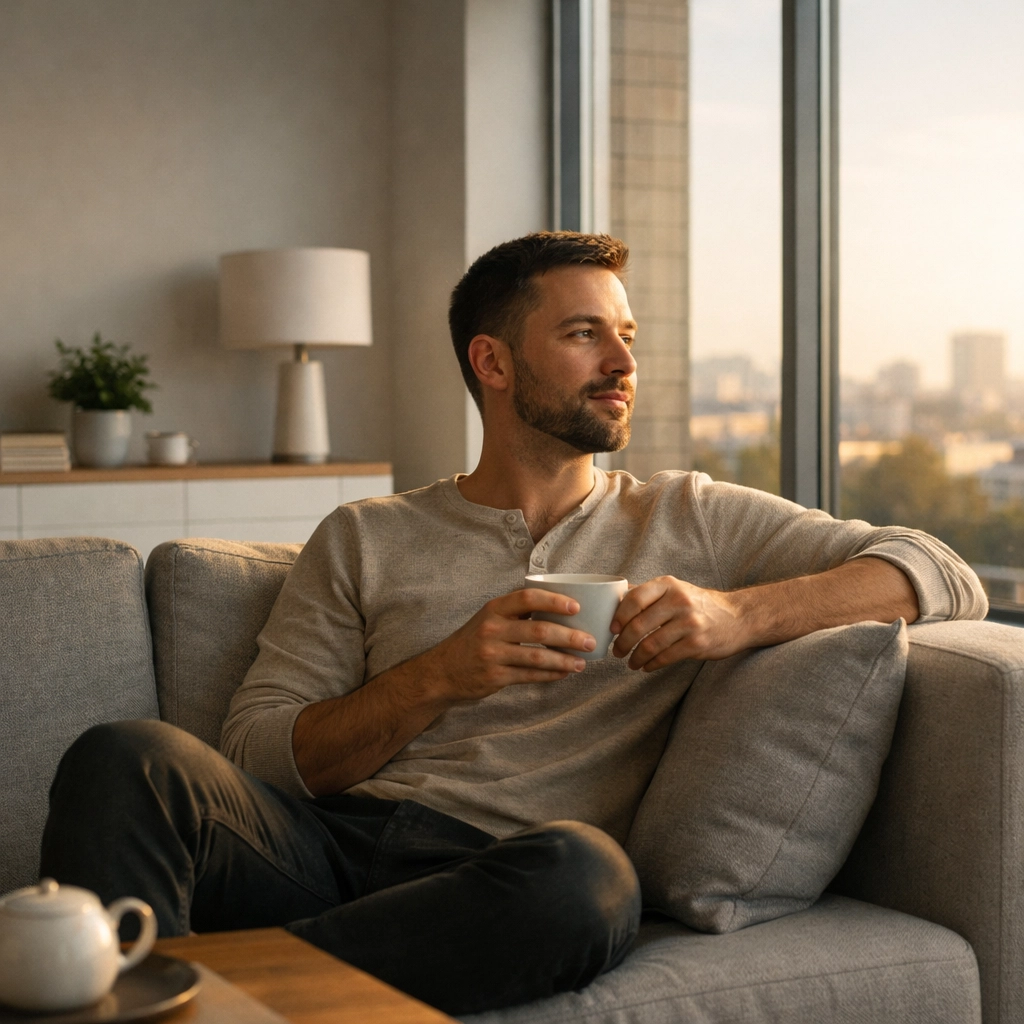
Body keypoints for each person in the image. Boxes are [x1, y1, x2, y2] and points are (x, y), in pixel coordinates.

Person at [40, 232, 987, 1016]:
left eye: (626, 336)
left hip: (501, 874)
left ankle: (198, 992)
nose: (624, 364)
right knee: (126, 756)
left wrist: (736, 614)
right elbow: (256, 751)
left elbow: (939, 570)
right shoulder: (368, 533)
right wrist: (439, 674)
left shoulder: (691, 517)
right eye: (585, 335)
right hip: (329, 846)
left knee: (588, 881)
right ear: (492, 362)